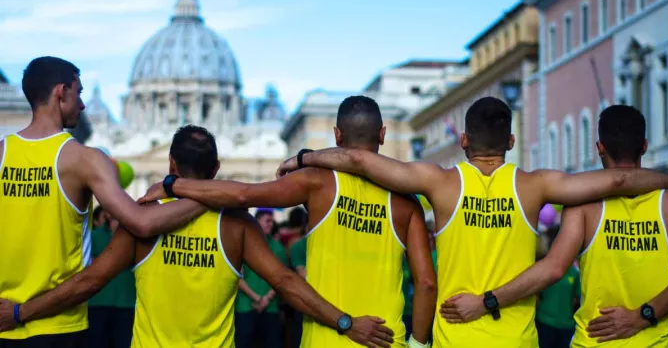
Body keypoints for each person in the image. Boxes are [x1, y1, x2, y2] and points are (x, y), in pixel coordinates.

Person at [273, 96, 668, 347]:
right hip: (516, 340)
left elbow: (360, 159)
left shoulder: (440, 182)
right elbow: (621, 179)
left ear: (464, 140)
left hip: (454, 336)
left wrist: (305, 157)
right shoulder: (536, 186)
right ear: (511, 143)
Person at [0, 125, 393, 348]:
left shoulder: (143, 222)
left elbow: (88, 281)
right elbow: (287, 283)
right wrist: (345, 323)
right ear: (218, 167)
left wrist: (21, 313)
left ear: (171, 163)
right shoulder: (236, 224)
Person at [139, 95, 438, 347]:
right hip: (387, 338)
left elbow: (243, 195)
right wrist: (418, 343)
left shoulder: (316, 182)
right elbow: (426, 282)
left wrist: (173, 185)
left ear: (337, 135)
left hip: (326, 338)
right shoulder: (406, 201)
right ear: (383, 135)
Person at [0, 57, 211, 346]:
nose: (83, 105)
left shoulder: (2, 152)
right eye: (80, 92)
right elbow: (142, 223)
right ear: (62, 92)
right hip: (58, 325)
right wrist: (209, 194)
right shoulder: (86, 159)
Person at [441, 105, 668, 346]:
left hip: (594, 341)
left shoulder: (583, 207)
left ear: (599, 148)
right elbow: (620, 181)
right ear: (644, 146)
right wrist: (644, 315)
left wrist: (486, 301)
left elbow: (553, 268)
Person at [234, 208, 288, 348]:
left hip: (270, 308)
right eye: (267, 221)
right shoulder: (242, 244)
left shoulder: (278, 248)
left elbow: (283, 278)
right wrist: (257, 298)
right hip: (245, 306)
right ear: (256, 222)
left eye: (271, 221)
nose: (270, 224)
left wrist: (266, 299)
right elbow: (236, 276)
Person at [87, 214, 136, 348]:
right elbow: (89, 266)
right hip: (97, 302)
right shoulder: (94, 236)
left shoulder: (135, 236)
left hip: (126, 303)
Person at [532, 225, 580, 348]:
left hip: (566, 326)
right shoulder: (542, 267)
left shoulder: (575, 273)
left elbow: (578, 299)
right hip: (544, 322)